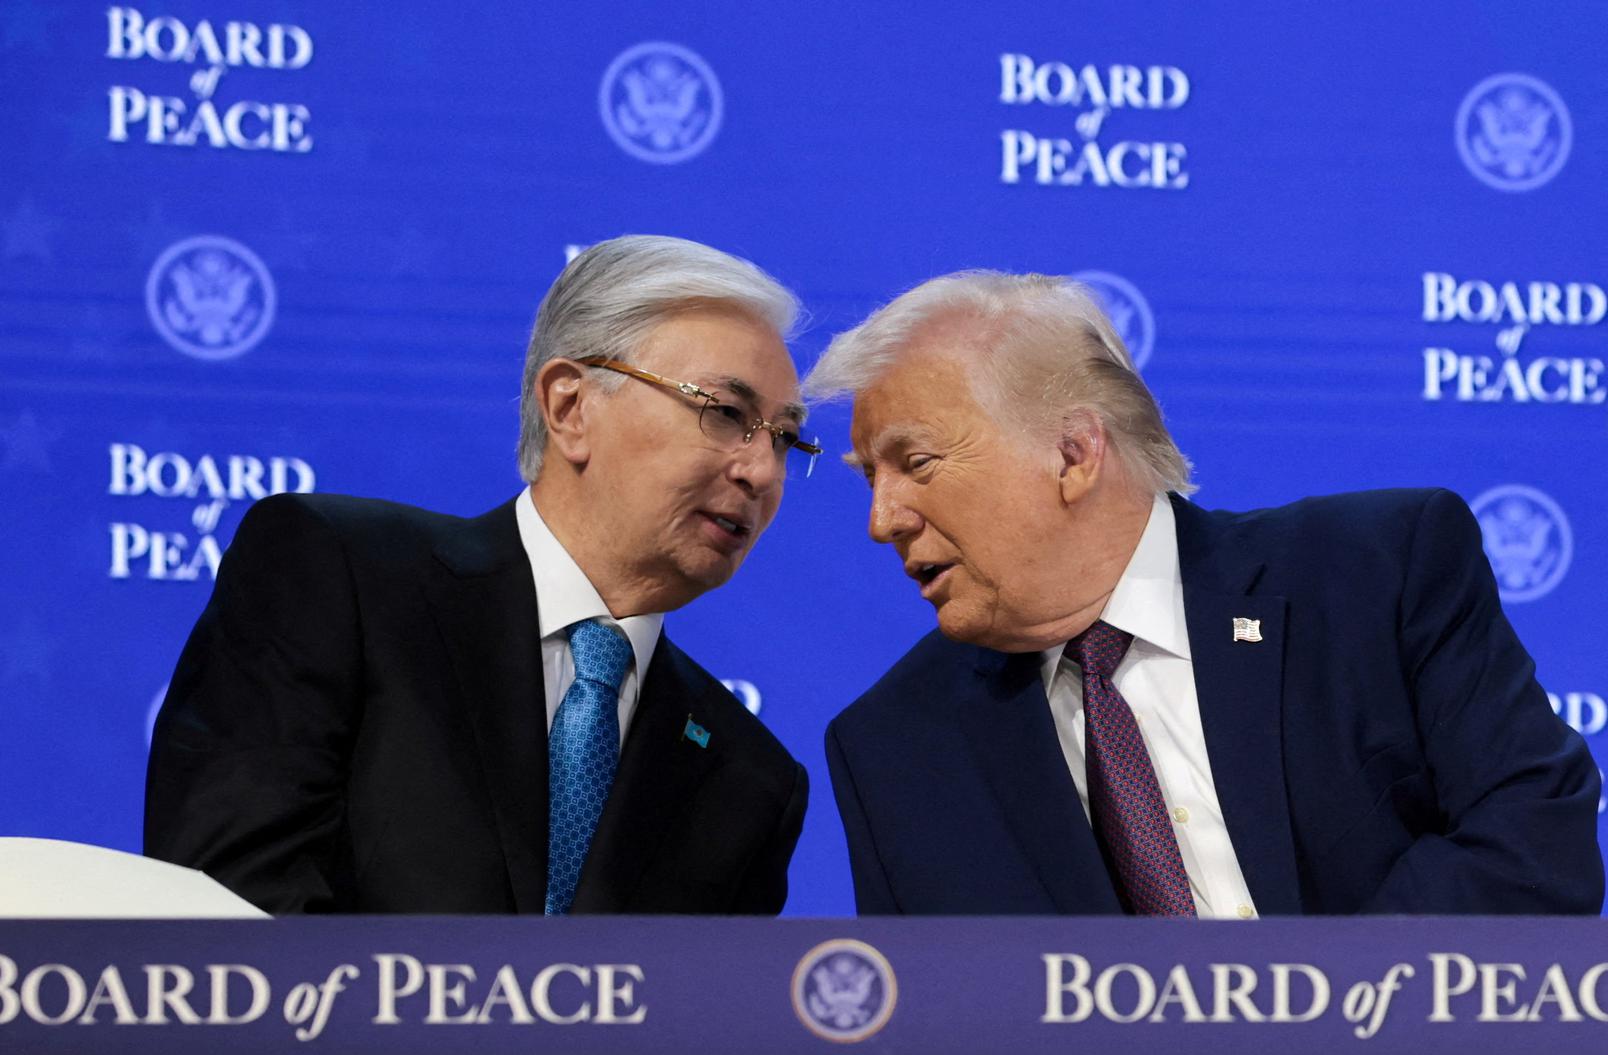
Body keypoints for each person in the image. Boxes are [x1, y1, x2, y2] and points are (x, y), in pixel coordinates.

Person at [804, 270, 1602, 917]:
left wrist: (1309, 1018)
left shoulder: (1376, 574)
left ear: (1074, 453)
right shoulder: (896, 749)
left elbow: (1533, 844)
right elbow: (938, 1024)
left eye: (916, 463)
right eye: (868, 477)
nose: (882, 520)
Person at [146, 235, 816, 915]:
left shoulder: (750, 777)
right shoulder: (337, 578)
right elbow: (227, 920)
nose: (762, 472)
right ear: (570, 408)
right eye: (725, 413)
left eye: (785, 439)